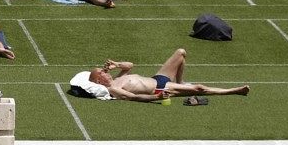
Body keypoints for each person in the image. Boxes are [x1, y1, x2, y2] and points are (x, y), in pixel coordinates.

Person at [89, 49, 251, 101]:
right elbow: (134, 97)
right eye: (102, 72)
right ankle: (235, 90)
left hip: (156, 78)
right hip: (160, 88)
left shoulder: (118, 78)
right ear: (98, 81)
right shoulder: (114, 89)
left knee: (181, 53)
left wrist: (116, 64)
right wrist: (158, 97)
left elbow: (130, 66)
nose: (106, 72)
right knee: (199, 88)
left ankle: (182, 82)